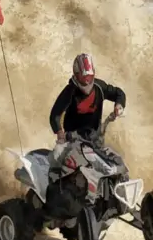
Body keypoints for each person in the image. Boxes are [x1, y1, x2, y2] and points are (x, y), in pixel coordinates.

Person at [48, 53, 126, 182]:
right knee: (60, 159)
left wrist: (119, 105)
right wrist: (60, 133)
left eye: (90, 79)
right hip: (72, 140)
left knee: (115, 165)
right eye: (83, 80)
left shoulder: (100, 87)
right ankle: (54, 189)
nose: (87, 85)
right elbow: (55, 115)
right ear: (76, 76)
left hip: (95, 141)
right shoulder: (70, 91)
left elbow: (119, 93)